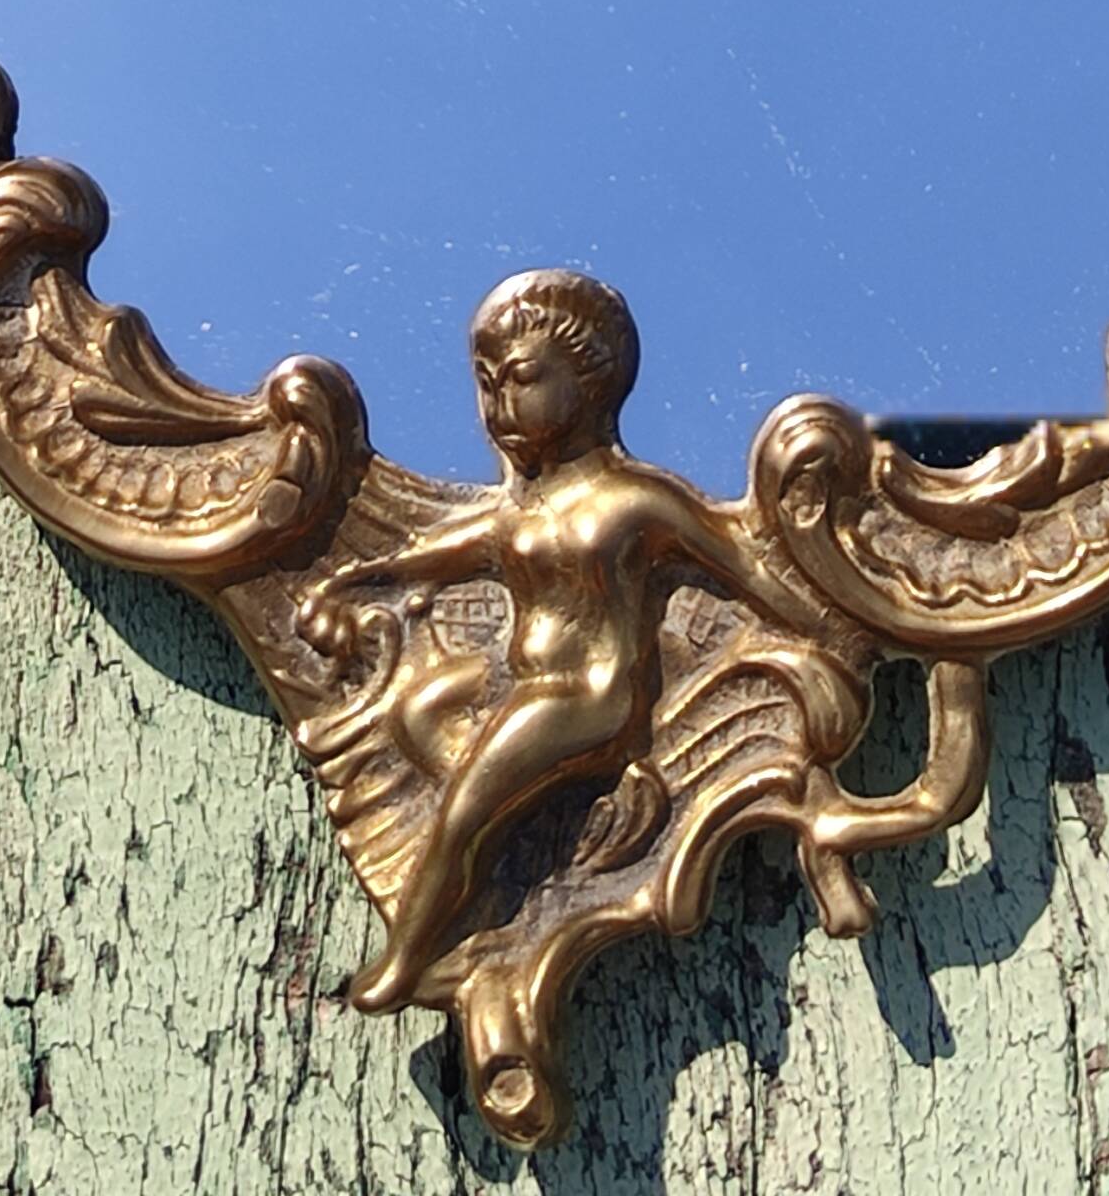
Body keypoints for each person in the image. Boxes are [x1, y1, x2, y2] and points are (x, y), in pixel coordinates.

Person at [300, 266, 784, 1011]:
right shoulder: (520, 508)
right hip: (523, 685)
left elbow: (748, 570)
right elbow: (436, 553)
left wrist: (822, 621)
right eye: (486, 384)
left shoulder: (636, 501)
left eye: (521, 380)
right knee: (419, 712)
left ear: (587, 379)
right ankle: (539, 835)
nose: (498, 406)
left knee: (460, 812)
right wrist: (354, 581)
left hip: (588, 698)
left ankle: (405, 959)